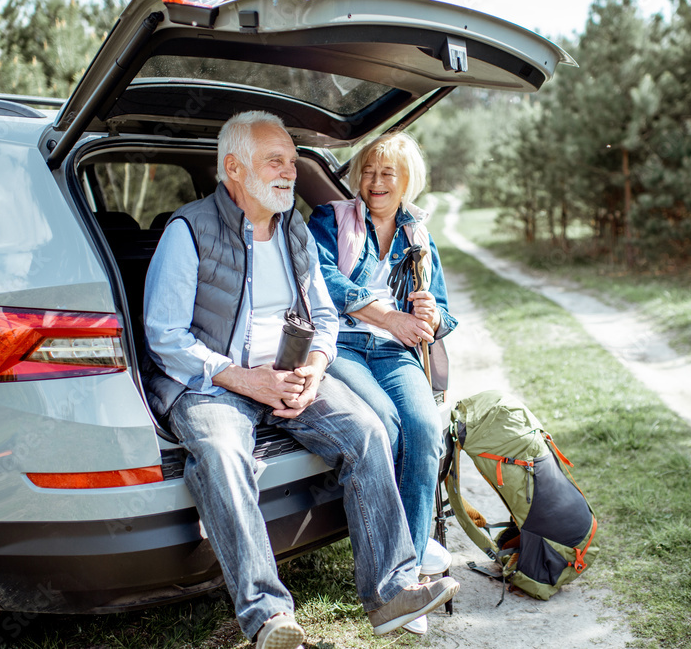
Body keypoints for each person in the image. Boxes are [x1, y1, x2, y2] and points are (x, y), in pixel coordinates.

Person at [142, 112, 458, 648]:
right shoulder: (188, 230)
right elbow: (165, 338)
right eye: (277, 161)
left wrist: (314, 367)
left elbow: (325, 317)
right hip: (210, 382)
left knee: (367, 431)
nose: (290, 171)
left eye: (292, 160)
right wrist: (245, 380)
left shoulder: (293, 230)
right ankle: (269, 617)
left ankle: (392, 591)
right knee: (223, 456)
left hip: (290, 372)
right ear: (235, 167)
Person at [307, 133, 457, 634]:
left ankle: (409, 570)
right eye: (369, 171)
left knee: (423, 429)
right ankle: (394, 568)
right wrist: (389, 317)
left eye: (387, 173)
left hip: (395, 353)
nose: (375, 182)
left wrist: (432, 317)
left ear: (406, 181)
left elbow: (442, 309)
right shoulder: (330, 219)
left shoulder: (418, 235)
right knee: (387, 424)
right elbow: (325, 280)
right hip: (345, 344)